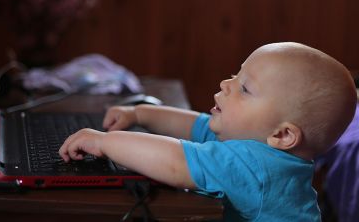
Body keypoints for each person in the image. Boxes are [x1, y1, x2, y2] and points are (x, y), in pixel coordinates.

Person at [59, 42, 357, 221]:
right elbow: (194, 125)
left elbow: (175, 161)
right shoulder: (256, 142)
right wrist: (139, 113)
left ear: (282, 135)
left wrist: (106, 142)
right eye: (235, 74)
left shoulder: (257, 167)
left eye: (244, 88)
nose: (227, 84)